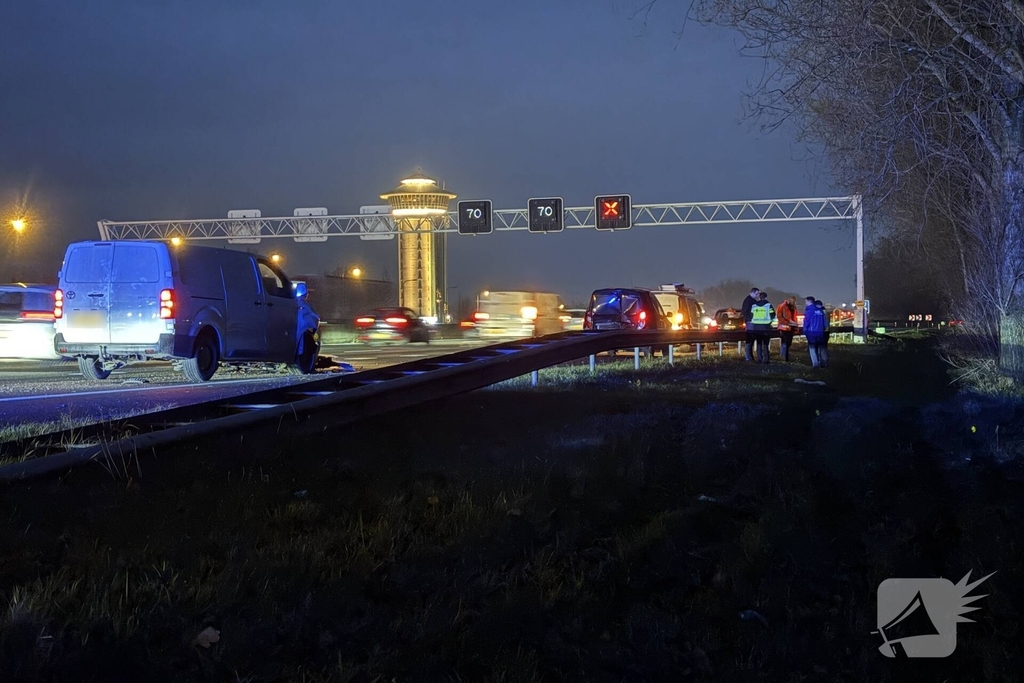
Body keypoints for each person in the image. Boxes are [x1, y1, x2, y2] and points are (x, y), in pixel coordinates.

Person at [750, 291, 776, 363]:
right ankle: (766, 359)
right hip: (766, 327)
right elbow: (773, 315)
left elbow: (751, 315)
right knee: (765, 344)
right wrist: (770, 321)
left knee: (759, 343)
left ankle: (759, 359)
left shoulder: (754, 305)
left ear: (759, 297)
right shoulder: (768, 305)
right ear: (766, 297)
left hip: (756, 327)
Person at [802, 296, 826, 367]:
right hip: (820, 332)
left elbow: (806, 321)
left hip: (811, 332)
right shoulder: (820, 311)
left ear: (809, 301)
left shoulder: (809, 310)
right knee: (820, 347)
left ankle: (815, 364)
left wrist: (805, 330)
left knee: (812, 348)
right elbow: (825, 322)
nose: (805, 303)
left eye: (806, 301)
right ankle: (823, 363)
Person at [776, 296, 798, 362]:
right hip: (784, 328)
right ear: (788, 301)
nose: (793, 303)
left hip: (791, 328)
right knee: (784, 343)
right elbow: (779, 317)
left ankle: (786, 357)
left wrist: (795, 326)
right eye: (792, 302)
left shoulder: (794, 307)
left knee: (788, 343)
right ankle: (783, 358)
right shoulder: (781, 306)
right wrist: (788, 323)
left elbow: (794, 317)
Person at [741, 286, 760, 362]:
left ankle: (750, 357)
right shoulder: (748, 301)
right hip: (750, 322)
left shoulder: (751, 300)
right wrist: (750, 319)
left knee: (751, 340)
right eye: (756, 294)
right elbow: (744, 311)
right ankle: (748, 357)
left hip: (752, 322)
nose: (757, 295)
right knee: (749, 340)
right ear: (752, 293)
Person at [815, 299, 831, 368]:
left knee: (821, 348)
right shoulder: (826, 311)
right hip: (826, 332)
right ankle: (824, 363)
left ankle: (823, 363)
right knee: (823, 348)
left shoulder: (821, 312)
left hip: (822, 332)